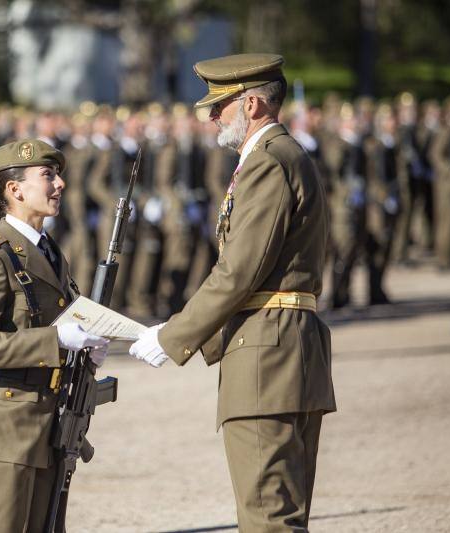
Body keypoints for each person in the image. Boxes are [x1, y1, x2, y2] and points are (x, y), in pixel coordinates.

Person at [129, 54, 336, 532]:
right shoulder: (282, 155)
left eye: (220, 106)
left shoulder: (267, 160)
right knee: (282, 513)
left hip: (267, 356)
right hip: (287, 348)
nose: (211, 116)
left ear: (253, 103)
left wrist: (173, 335)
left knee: (266, 517)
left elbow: (240, 269)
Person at [0, 139, 109, 532]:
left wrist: (85, 347)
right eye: (48, 176)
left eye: (57, 175)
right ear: (15, 189)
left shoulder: (49, 252)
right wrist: (56, 342)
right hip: (3, 430)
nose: (60, 185)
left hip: (47, 425)